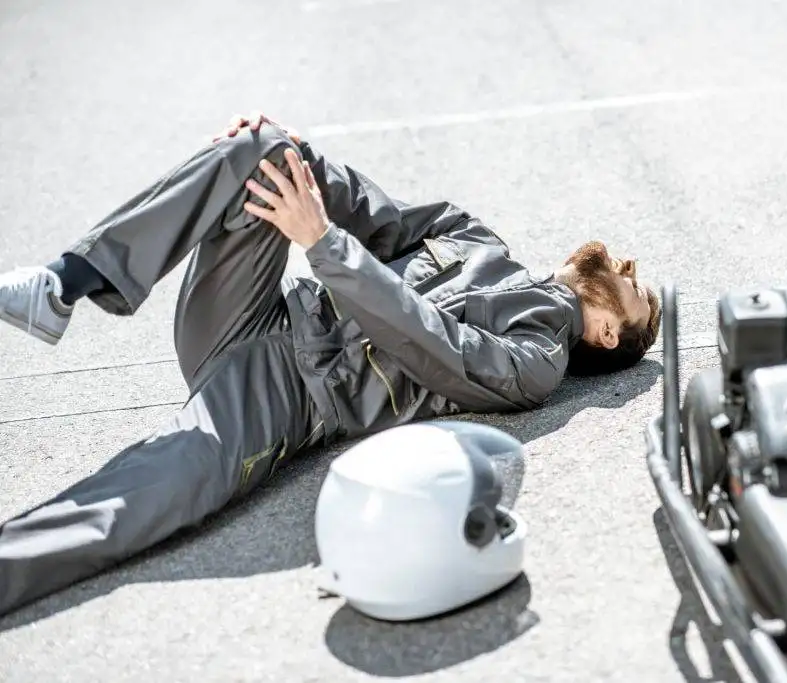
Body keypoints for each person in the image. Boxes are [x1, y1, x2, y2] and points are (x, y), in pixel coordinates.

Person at [0, 112, 660, 617]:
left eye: (639, 296)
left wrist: (323, 245)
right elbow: (371, 208)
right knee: (268, 151)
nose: (629, 267)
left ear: (606, 333)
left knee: (160, 486)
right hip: (252, 314)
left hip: (290, 397)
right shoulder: (477, 237)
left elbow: (432, 344)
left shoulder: (537, 360)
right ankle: (63, 284)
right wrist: (287, 154)